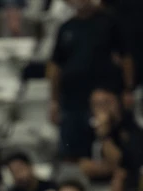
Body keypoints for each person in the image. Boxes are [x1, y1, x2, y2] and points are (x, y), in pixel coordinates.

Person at [47, 0, 130, 163]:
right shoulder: (66, 27)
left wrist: (128, 89)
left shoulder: (109, 22)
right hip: (71, 99)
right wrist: (54, 101)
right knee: (72, 148)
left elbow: (125, 57)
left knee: (108, 139)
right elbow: (55, 66)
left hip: (103, 95)